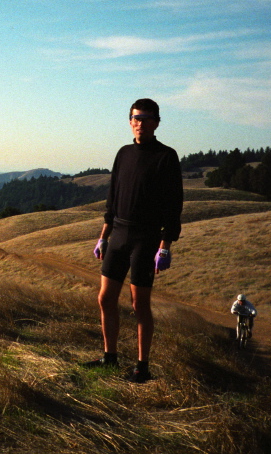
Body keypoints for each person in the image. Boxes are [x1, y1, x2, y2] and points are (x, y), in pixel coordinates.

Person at [85, 98, 183, 383]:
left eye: (147, 118)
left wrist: (165, 245)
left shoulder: (166, 156)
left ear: (156, 123)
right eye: (136, 118)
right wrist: (103, 237)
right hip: (119, 234)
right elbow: (113, 197)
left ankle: (142, 366)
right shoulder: (123, 153)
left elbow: (174, 204)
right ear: (130, 121)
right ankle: (109, 357)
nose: (141, 123)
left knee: (138, 304)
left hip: (146, 236)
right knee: (105, 298)